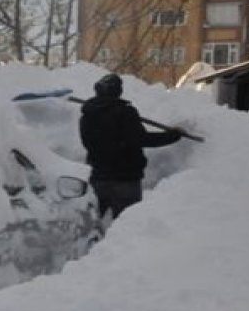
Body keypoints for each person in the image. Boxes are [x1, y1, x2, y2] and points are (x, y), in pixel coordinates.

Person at [78, 73, 182, 219]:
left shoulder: (87, 114)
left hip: (97, 178)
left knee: (92, 225)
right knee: (127, 227)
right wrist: (173, 136)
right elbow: (141, 139)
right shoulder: (125, 112)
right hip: (125, 179)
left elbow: (87, 143)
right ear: (118, 91)